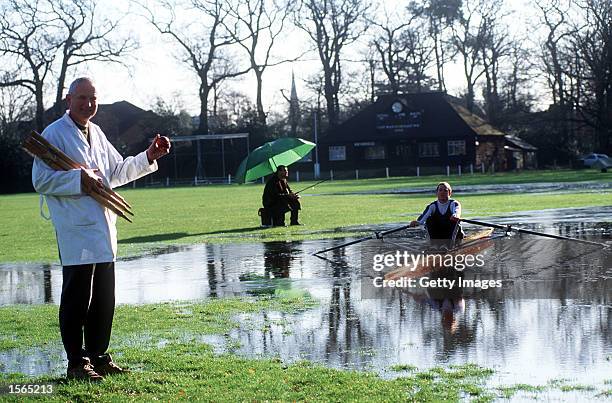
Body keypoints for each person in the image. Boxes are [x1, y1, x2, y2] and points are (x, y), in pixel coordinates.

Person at [32, 77, 171, 381]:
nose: (88, 104)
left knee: (104, 298)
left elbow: (116, 172)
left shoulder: (96, 132)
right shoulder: (54, 134)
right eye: (82, 98)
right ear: (68, 100)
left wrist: (149, 156)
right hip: (76, 230)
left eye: (93, 98)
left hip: (103, 228)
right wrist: (78, 180)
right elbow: (40, 181)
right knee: (77, 299)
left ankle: (98, 355)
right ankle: (76, 363)